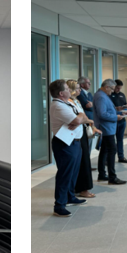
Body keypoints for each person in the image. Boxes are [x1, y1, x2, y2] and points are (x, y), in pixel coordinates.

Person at [48, 79, 88, 217]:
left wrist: (80, 116)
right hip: (65, 143)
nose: (69, 90)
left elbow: (82, 116)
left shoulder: (67, 103)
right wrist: (80, 116)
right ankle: (59, 205)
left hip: (74, 142)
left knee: (73, 172)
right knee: (64, 174)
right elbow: (78, 120)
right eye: (66, 88)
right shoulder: (59, 106)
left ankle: (70, 197)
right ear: (61, 93)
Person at [69, 79, 99, 199]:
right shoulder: (70, 102)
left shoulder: (76, 101)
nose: (79, 90)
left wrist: (88, 120)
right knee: (83, 162)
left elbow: (84, 116)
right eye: (76, 88)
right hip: (77, 135)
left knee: (84, 160)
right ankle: (82, 189)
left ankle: (80, 187)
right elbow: (79, 118)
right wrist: (87, 119)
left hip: (82, 133)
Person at [94, 79, 127, 185]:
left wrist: (121, 112)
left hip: (107, 128)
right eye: (112, 89)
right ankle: (112, 177)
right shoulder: (101, 96)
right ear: (107, 87)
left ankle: (102, 174)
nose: (112, 92)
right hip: (106, 128)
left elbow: (108, 110)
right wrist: (116, 117)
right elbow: (102, 114)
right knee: (112, 150)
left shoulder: (102, 95)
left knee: (104, 151)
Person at [110, 79, 127, 163]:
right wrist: (116, 108)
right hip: (113, 120)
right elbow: (107, 108)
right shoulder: (109, 95)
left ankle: (121, 157)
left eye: (120, 88)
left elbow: (125, 104)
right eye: (117, 88)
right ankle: (109, 159)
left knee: (120, 139)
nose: (119, 90)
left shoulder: (122, 95)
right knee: (111, 140)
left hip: (122, 120)